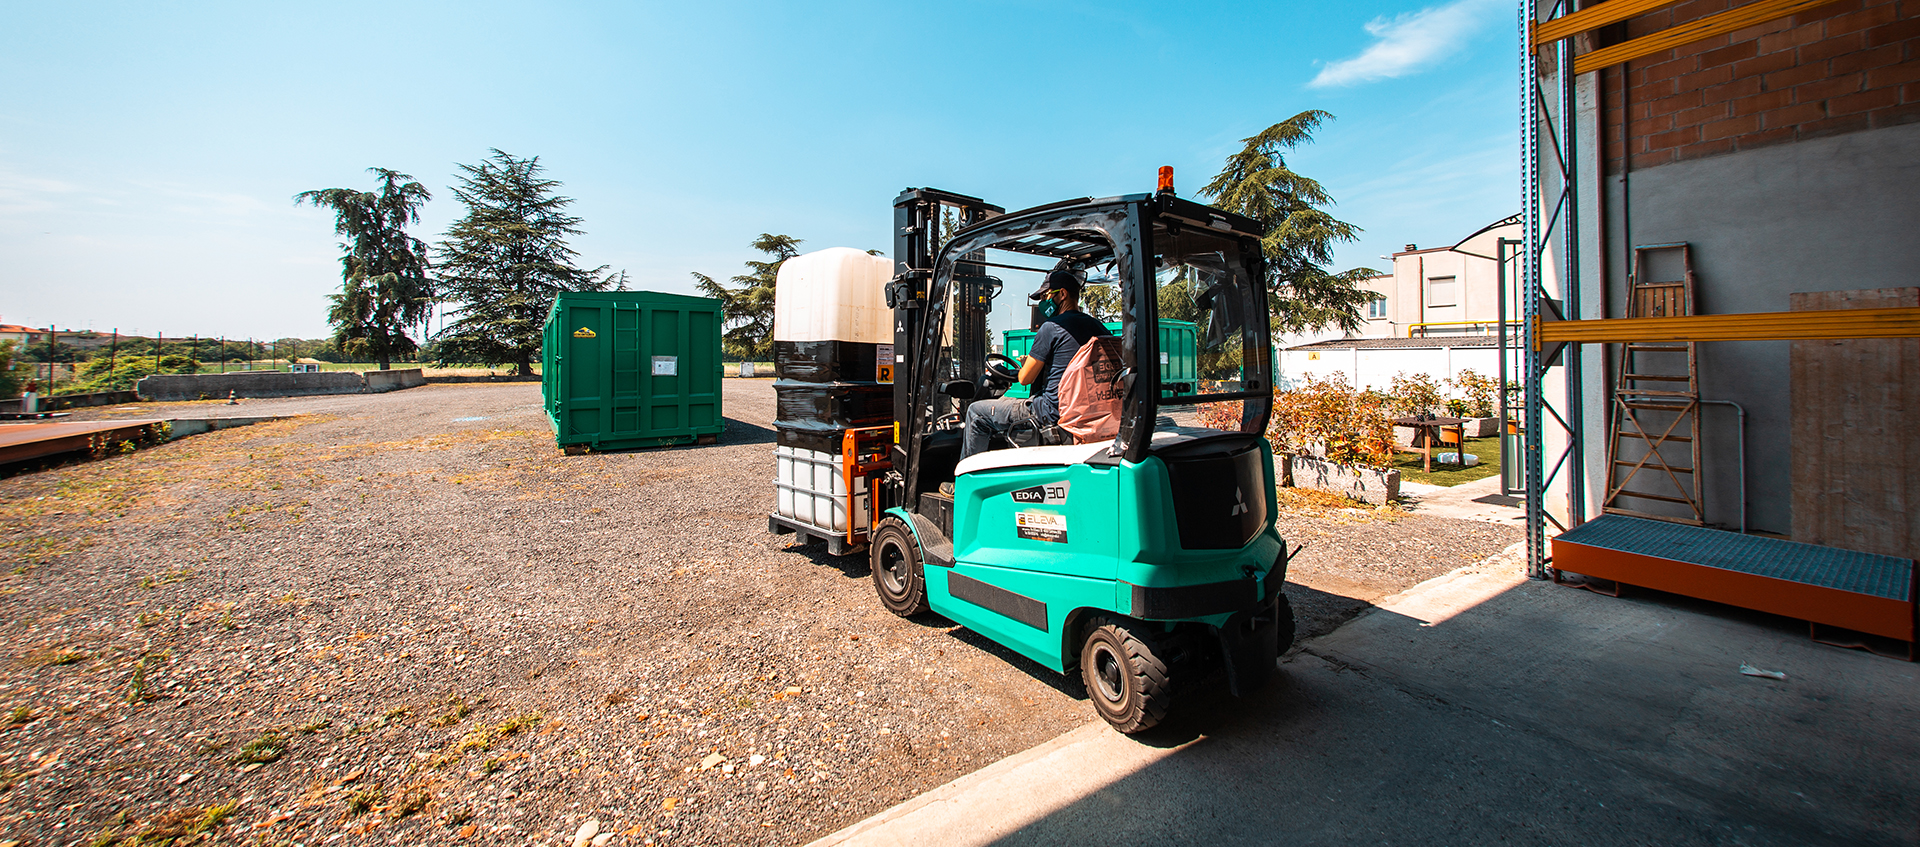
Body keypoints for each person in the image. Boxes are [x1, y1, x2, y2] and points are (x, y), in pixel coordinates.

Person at [957, 267, 1111, 463]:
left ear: (1062, 294)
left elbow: (1024, 378)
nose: (1043, 302)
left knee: (976, 412)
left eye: (1046, 296)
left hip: (1050, 411)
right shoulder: (1099, 327)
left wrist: (1022, 369)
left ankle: (966, 477)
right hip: (1087, 412)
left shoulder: (1053, 327)